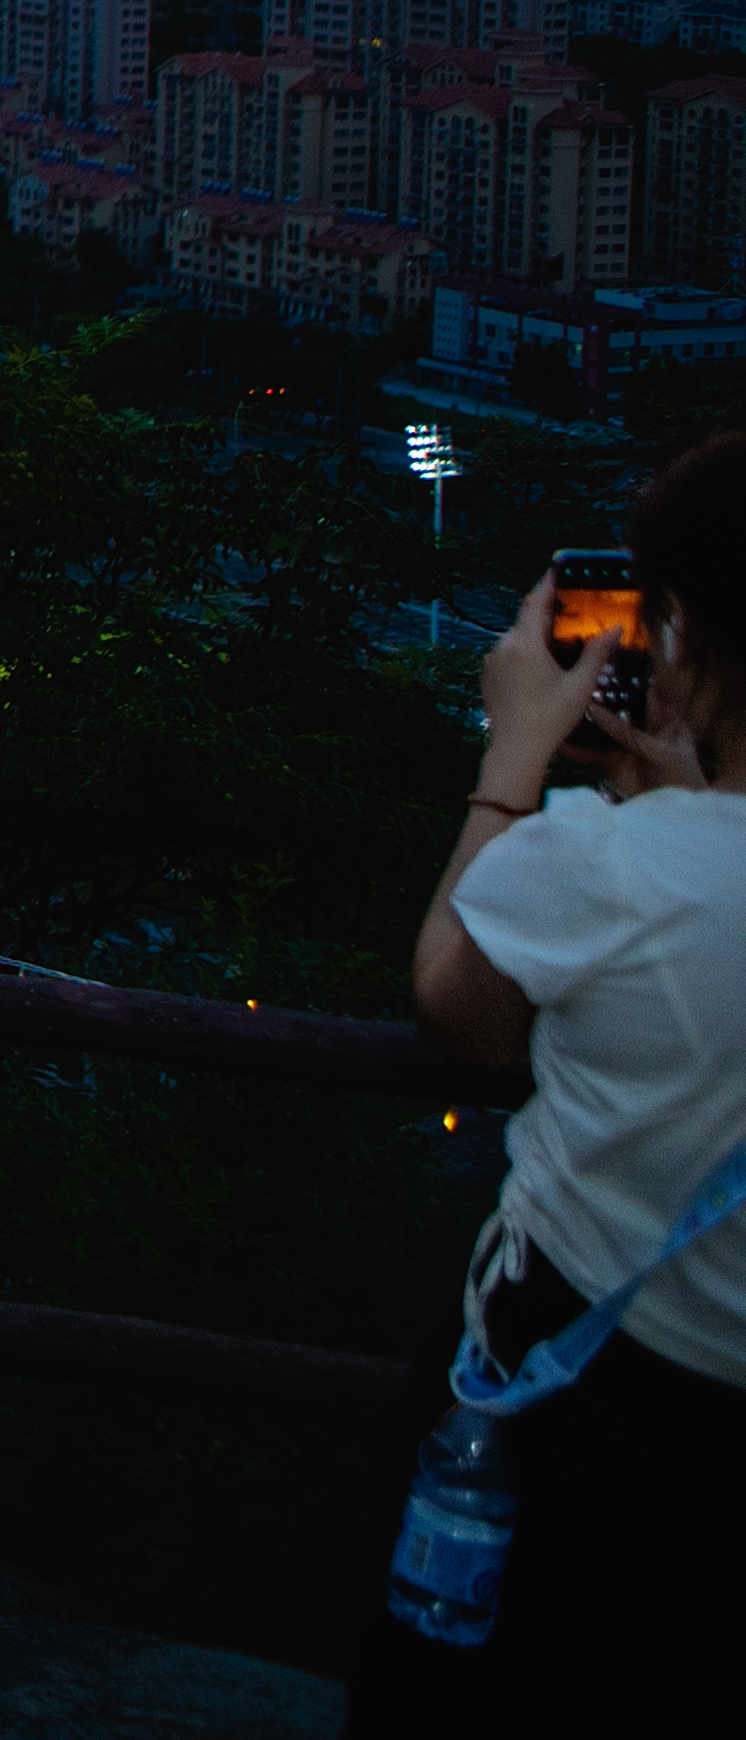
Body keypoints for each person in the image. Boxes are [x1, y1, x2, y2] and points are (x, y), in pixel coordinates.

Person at [345, 430, 745, 1725]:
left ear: (673, 627)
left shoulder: (614, 869)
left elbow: (457, 1003)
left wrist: (516, 749)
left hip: (583, 1424)